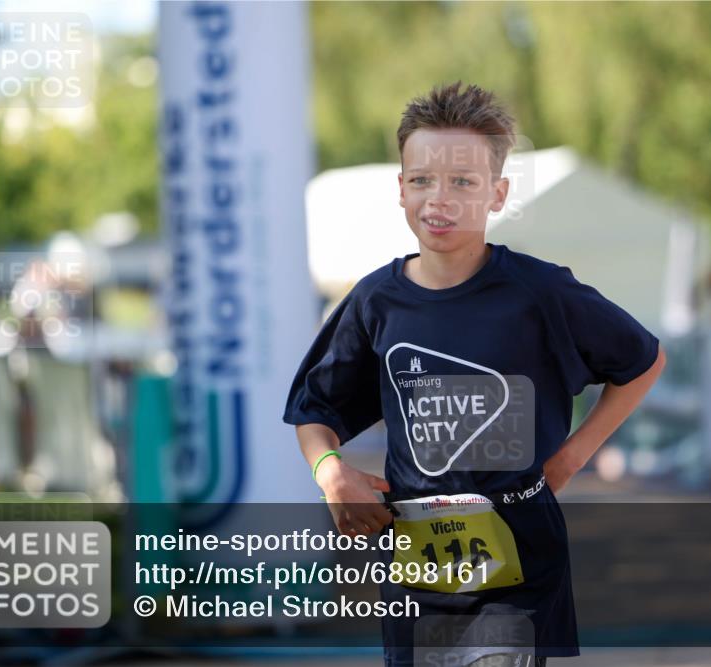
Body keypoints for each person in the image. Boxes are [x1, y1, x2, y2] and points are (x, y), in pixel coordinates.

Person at [283, 82, 666, 667]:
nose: (440, 198)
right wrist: (330, 473)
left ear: (497, 193)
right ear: (402, 189)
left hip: (517, 556)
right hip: (415, 565)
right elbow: (314, 409)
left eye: (463, 181)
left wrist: (572, 456)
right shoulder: (375, 302)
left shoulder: (539, 292)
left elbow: (642, 361)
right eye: (422, 180)